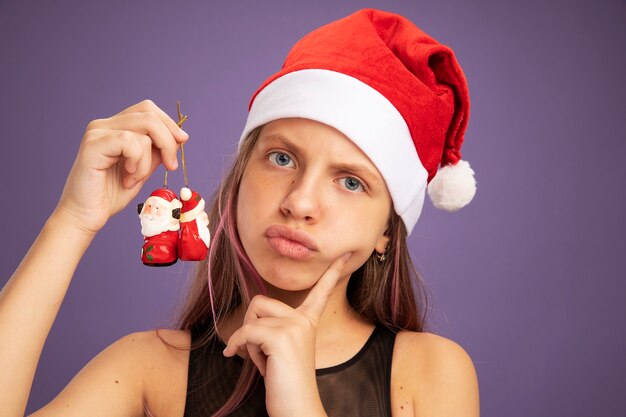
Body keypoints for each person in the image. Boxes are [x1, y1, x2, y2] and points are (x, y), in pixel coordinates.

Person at [0, 8, 479, 417]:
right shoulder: (148, 368)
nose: (300, 202)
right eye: (282, 158)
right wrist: (73, 220)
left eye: (351, 182)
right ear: (238, 180)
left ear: (387, 234)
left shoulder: (429, 374)